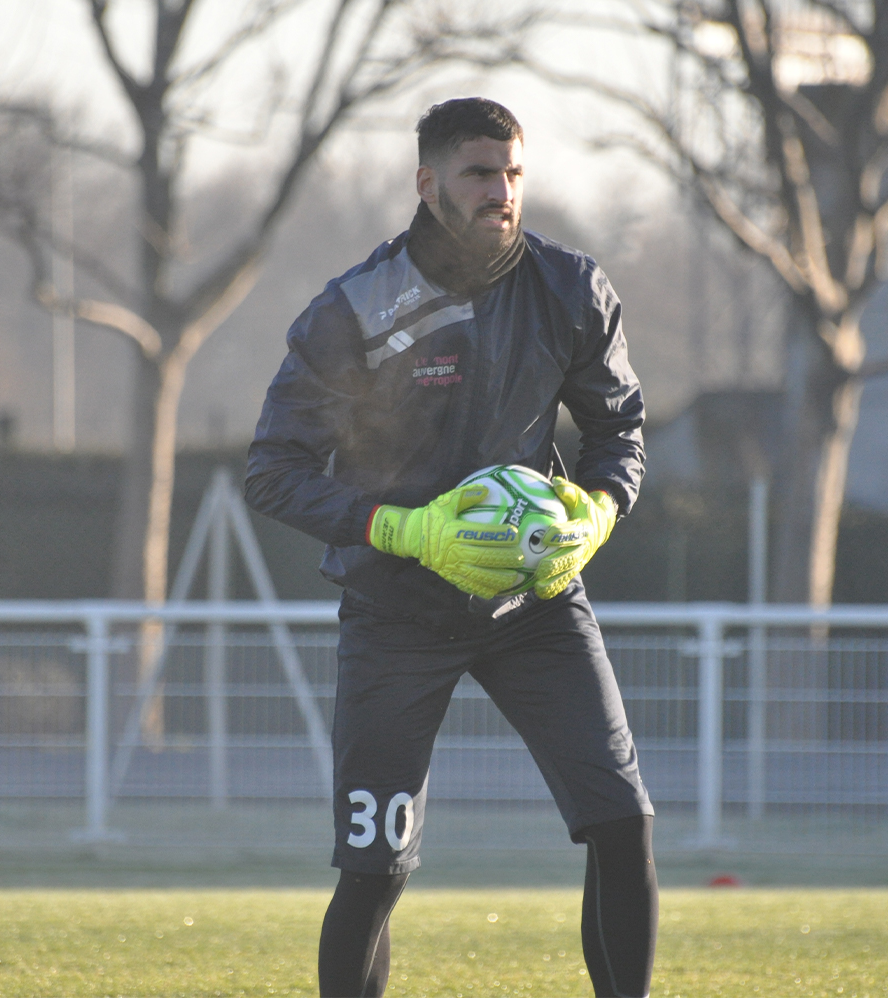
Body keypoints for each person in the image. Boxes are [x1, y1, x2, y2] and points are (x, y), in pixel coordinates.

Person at [244, 97, 656, 998]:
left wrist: (598, 510)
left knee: (622, 822)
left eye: (512, 173)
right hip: (397, 614)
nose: (500, 192)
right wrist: (400, 529)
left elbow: (619, 429)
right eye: (478, 173)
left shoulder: (570, 288)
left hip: (536, 604)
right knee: (376, 868)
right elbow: (273, 471)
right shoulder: (353, 308)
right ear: (427, 183)